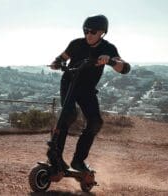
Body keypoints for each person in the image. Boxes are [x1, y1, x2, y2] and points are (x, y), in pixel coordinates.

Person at [47, 14, 131, 172]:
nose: (88, 35)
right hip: (70, 83)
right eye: (86, 31)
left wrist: (111, 61)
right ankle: (55, 156)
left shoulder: (108, 48)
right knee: (68, 115)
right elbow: (62, 57)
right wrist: (57, 62)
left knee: (95, 122)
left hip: (87, 89)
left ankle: (78, 161)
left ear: (102, 32)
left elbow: (124, 68)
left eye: (92, 31)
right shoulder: (76, 44)